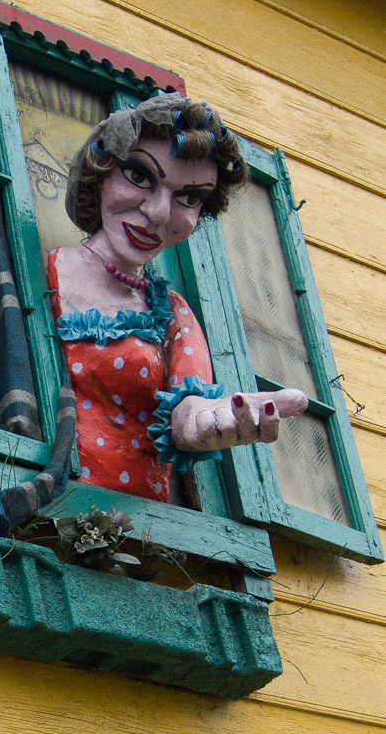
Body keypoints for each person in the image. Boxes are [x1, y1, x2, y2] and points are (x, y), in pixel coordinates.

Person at [52, 93, 307, 502]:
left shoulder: (171, 313)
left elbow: (189, 407)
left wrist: (202, 422)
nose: (157, 212)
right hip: (40, 512)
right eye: (139, 175)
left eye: (188, 198)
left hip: (141, 535)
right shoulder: (40, 274)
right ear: (101, 173)